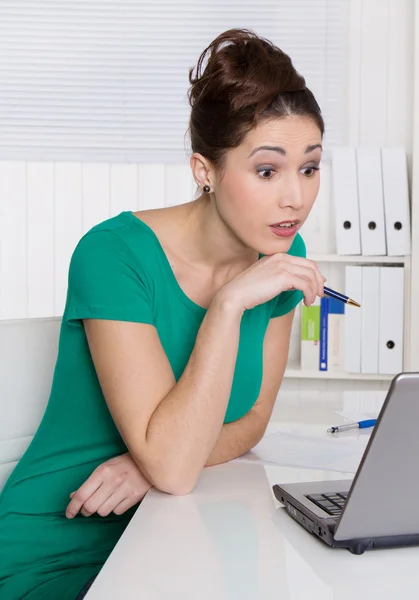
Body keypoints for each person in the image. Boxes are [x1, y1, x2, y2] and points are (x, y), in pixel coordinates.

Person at [0, 28, 326, 600]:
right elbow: (175, 468)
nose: (295, 198)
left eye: (310, 167)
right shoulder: (113, 254)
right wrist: (227, 305)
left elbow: (250, 423)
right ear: (205, 170)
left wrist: (147, 463)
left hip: (178, 537)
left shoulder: (281, 256)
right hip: (61, 548)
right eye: (267, 171)